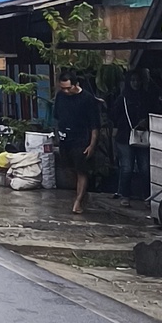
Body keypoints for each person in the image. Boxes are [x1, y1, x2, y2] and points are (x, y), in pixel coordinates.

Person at [54, 71, 105, 216]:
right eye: (63, 88)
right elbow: (57, 117)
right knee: (70, 169)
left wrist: (92, 145)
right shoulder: (60, 97)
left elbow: (95, 125)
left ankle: (78, 201)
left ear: (76, 85)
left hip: (81, 140)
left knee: (82, 170)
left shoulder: (87, 99)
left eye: (68, 88)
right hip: (65, 139)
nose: (66, 91)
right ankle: (81, 195)